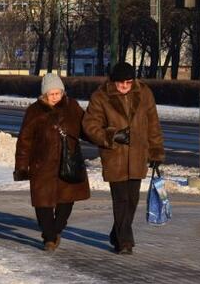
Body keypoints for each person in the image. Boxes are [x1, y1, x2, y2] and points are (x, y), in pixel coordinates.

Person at [82, 62, 164, 255]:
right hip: (114, 156)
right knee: (121, 199)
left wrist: (156, 151)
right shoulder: (101, 96)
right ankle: (124, 242)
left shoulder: (144, 93)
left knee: (133, 199)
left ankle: (116, 233)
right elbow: (89, 126)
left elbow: (153, 124)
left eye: (129, 82)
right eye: (121, 83)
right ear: (113, 81)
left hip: (137, 155)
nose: (125, 87)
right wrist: (112, 136)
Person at [14, 73, 90, 252]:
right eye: (51, 94)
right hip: (42, 165)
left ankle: (57, 230)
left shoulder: (73, 107)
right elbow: (24, 141)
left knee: (66, 200)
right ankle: (49, 237)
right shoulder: (34, 111)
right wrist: (22, 166)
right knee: (43, 203)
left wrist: (104, 136)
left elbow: (86, 129)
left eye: (58, 93)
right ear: (44, 95)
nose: (55, 97)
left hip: (68, 163)